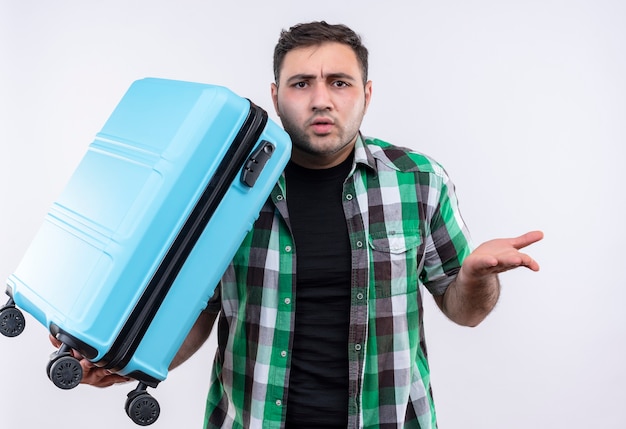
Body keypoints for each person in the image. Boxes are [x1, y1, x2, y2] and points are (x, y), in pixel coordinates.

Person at [57, 21, 543, 428]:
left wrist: (477, 278)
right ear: (275, 94)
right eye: (300, 83)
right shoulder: (221, 191)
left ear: (366, 94)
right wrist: (123, 361)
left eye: (339, 82)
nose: (320, 100)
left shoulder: (419, 181)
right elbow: (197, 314)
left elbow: (466, 311)